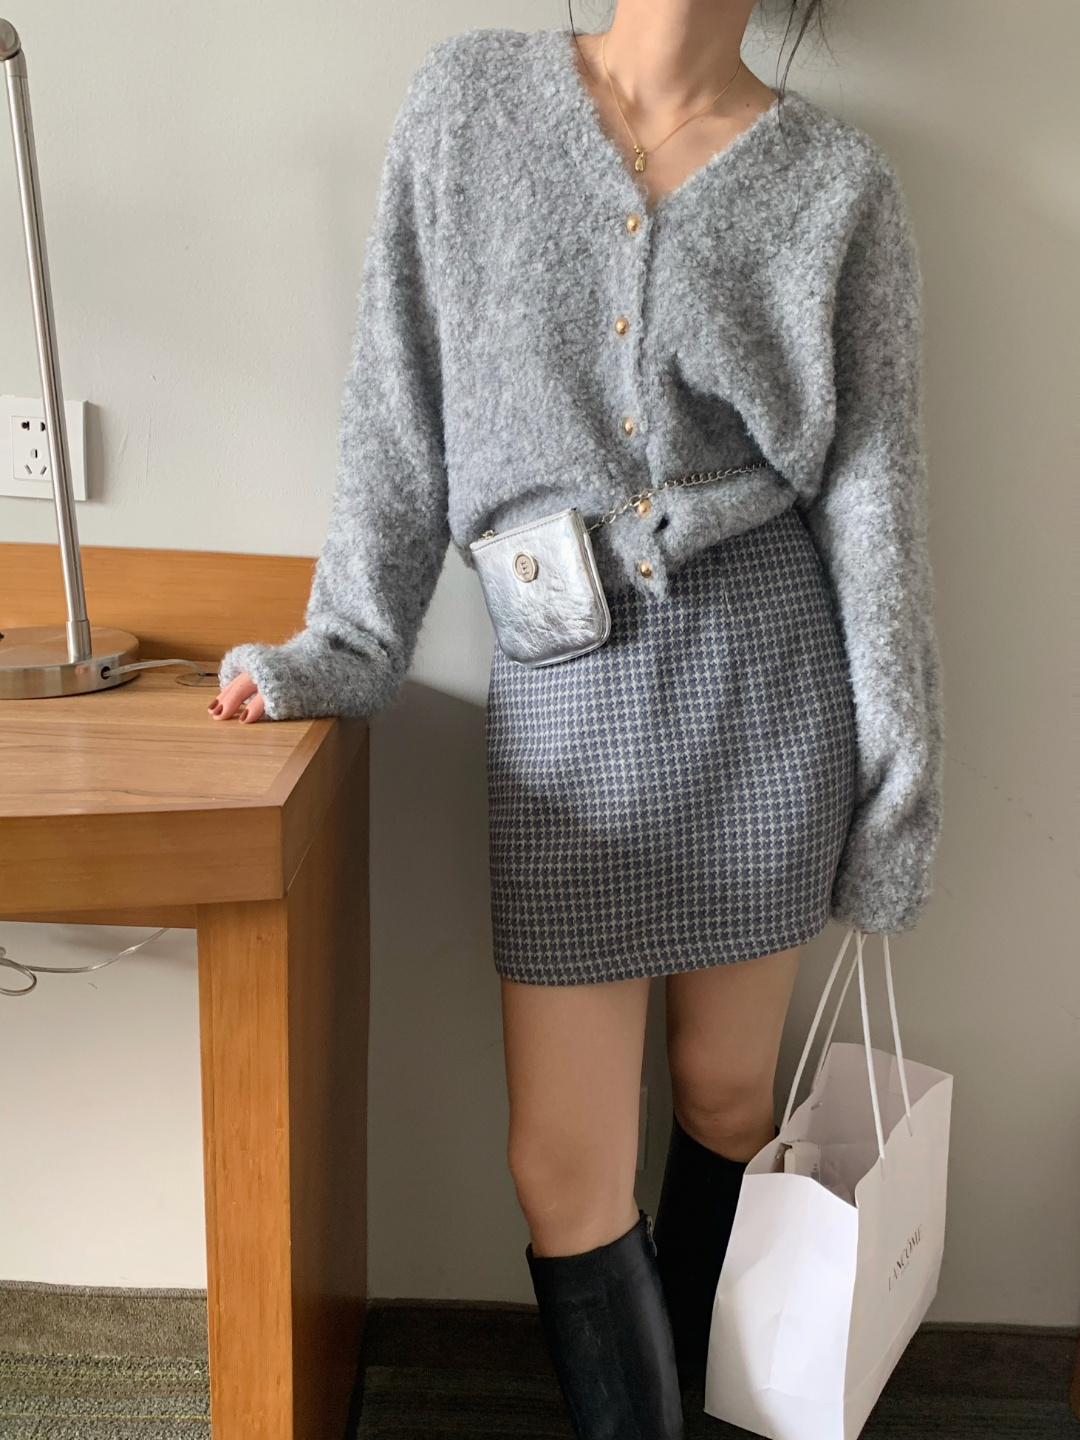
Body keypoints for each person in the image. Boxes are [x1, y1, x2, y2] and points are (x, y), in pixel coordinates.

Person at [209, 2, 945, 1434]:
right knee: (561, 1166)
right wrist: (350, 643)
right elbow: (396, 398)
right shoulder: (470, 103)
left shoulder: (836, 185)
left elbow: (875, 505)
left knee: (725, 1101)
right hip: (563, 697)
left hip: (763, 690)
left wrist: (898, 790)